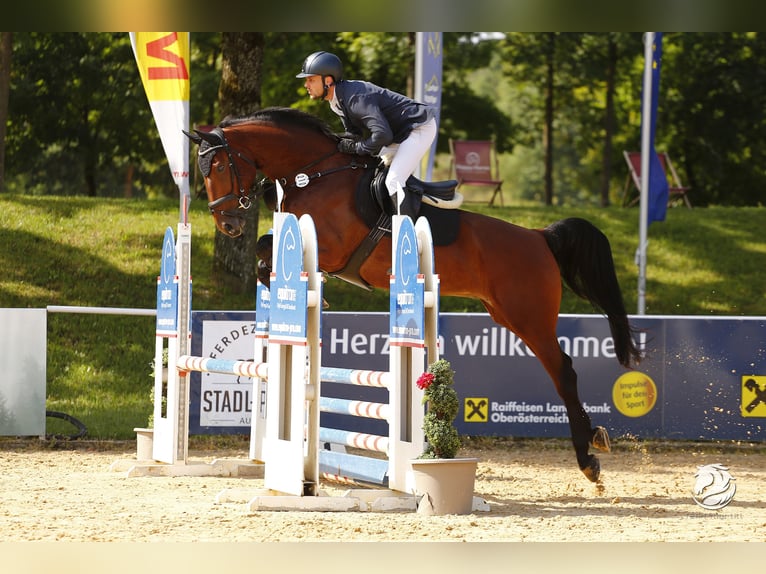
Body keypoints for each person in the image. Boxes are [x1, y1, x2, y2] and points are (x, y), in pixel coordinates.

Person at [296, 50, 437, 218]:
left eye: (311, 79)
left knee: (393, 180)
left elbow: (383, 135)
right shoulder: (336, 101)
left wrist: (358, 148)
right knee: (373, 171)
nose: (306, 85)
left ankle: (407, 236)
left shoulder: (355, 99)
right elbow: (353, 135)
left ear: (327, 80)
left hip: (418, 127)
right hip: (399, 133)